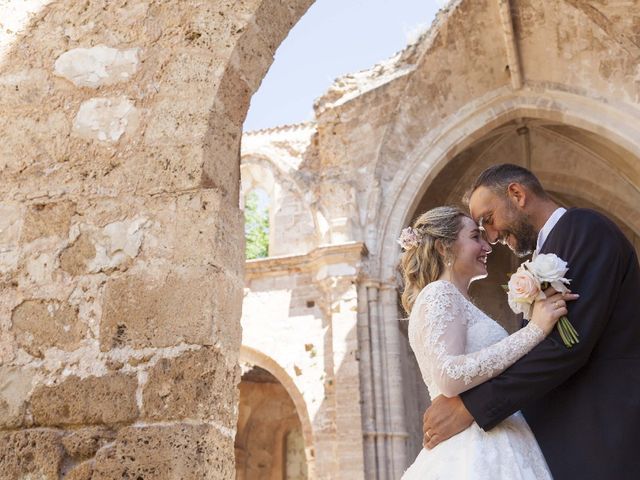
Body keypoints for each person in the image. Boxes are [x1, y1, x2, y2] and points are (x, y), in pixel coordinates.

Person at [422, 164, 640, 480]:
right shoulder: (543, 254)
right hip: (567, 438)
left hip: (604, 427)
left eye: (488, 220)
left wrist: (471, 408)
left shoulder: (585, 229)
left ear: (517, 194)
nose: (492, 237)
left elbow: (567, 343)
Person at [399, 206, 578, 479]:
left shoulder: (454, 299)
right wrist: (535, 331)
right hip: (475, 444)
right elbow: (449, 374)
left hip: (495, 432)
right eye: (474, 237)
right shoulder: (439, 293)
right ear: (443, 248)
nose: (487, 246)